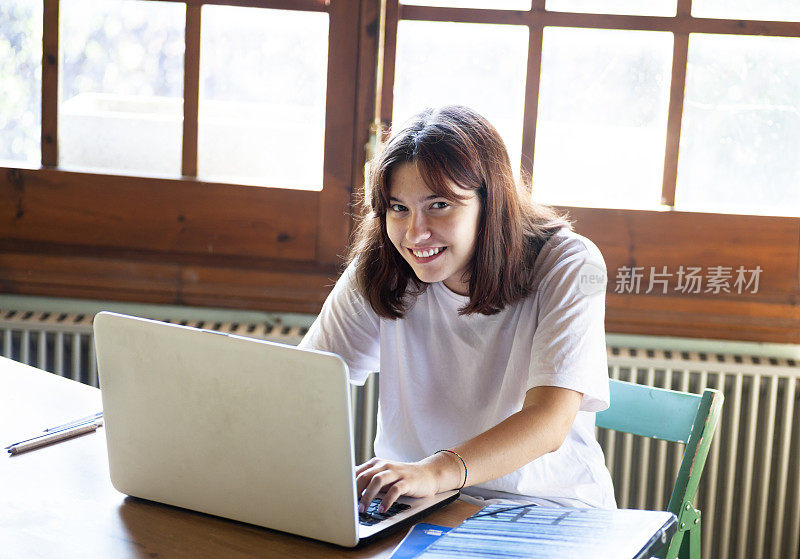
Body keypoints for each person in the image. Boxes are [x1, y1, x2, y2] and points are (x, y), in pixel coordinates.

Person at [298, 105, 616, 514]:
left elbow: (548, 424)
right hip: (417, 506)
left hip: (546, 508)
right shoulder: (381, 264)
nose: (415, 233)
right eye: (398, 207)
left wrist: (434, 471)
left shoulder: (570, 263)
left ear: (491, 202)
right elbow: (306, 386)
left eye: (439, 205)